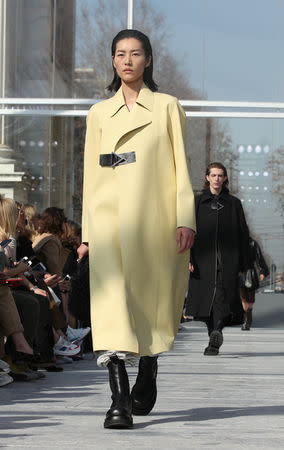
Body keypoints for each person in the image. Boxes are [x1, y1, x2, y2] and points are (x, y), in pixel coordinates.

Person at [79, 29, 196, 429]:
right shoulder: (97, 113)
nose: (127, 60)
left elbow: (182, 167)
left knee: (150, 303)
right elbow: (91, 178)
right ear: (113, 61)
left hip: (154, 222)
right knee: (111, 307)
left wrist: (185, 218)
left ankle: (149, 364)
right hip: (109, 221)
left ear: (148, 60)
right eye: (120, 54)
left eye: (135, 53)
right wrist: (88, 234)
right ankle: (118, 402)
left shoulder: (166, 107)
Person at [186, 162, 250, 356]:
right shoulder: (197, 203)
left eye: (220, 175)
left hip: (228, 260)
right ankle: (213, 335)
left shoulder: (233, 204)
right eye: (213, 175)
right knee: (206, 303)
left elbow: (242, 233)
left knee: (222, 299)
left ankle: (218, 331)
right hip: (202, 260)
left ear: (225, 178)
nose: (217, 179)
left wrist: (244, 263)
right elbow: (188, 231)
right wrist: (187, 258)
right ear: (207, 177)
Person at [240, 236, 269, 330]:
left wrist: (262, 271)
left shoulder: (253, 243)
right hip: (239, 273)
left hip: (250, 273)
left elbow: (259, 257)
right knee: (242, 297)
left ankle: (249, 312)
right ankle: (246, 320)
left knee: (250, 298)